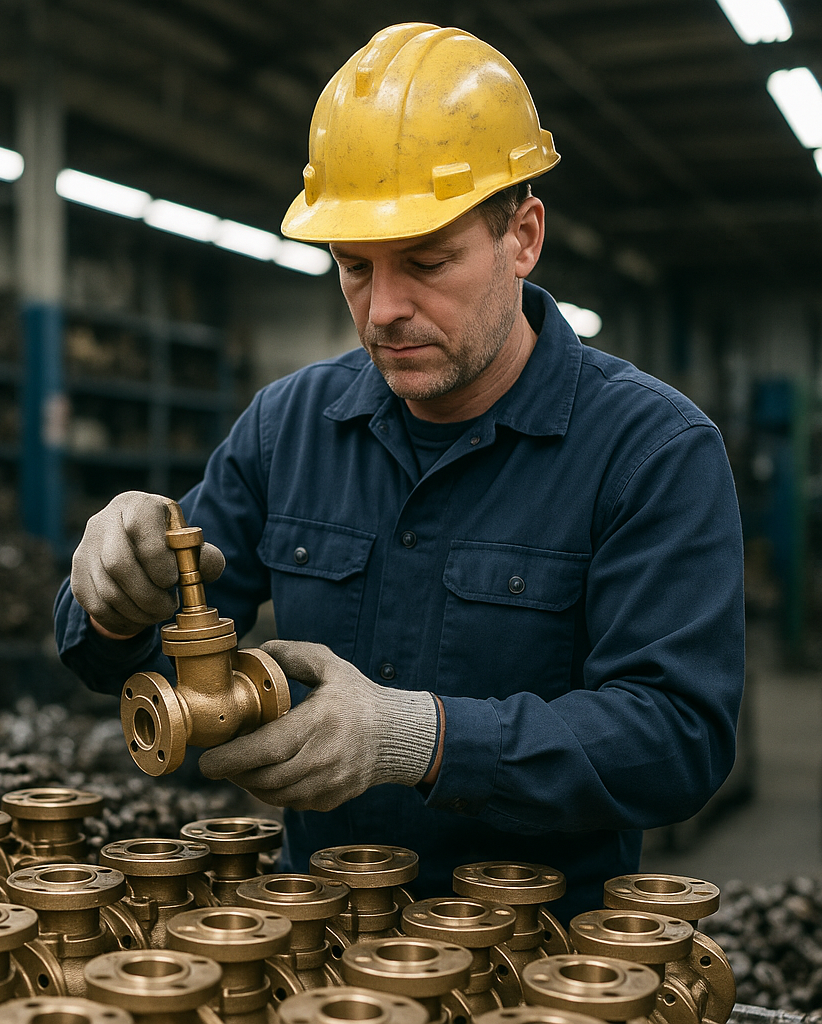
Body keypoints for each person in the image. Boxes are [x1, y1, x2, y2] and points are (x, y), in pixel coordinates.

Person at [55, 22, 744, 921]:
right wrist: (112, 593)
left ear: (523, 236)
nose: (383, 310)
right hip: (321, 943)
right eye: (353, 267)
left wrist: (421, 739)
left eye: (427, 261)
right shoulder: (289, 425)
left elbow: (678, 739)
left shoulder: (650, 452)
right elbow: (143, 644)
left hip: (547, 965)